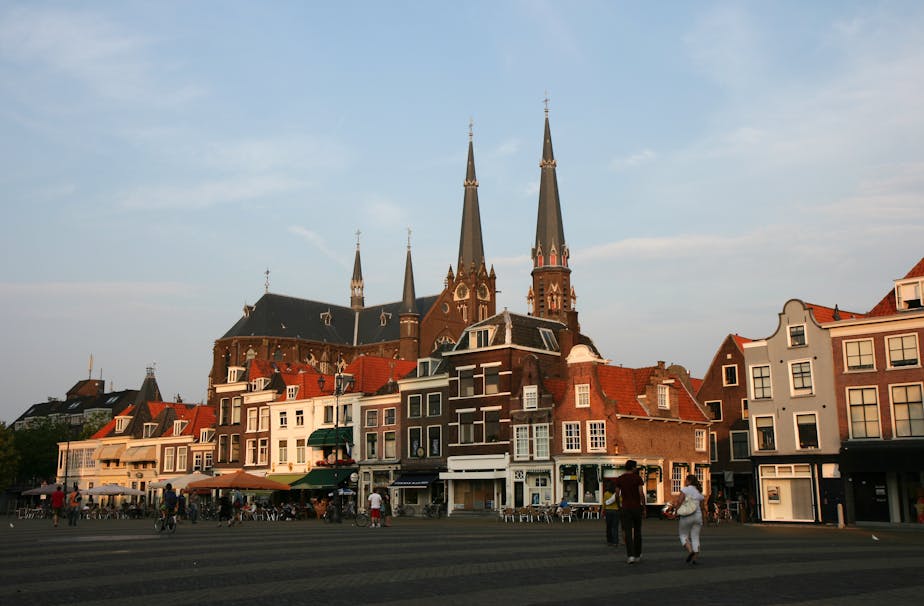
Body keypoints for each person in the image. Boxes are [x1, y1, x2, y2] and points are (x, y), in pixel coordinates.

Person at [614, 460, 646, 564]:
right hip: (636, 507)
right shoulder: (637, 478)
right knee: (637, 531)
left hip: (625, 508)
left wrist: (619, 506)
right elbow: (641, 493)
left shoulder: (620, 479)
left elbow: (617, 495)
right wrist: (644, 507)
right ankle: (638, 554)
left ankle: (630, 555)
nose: (636, 468)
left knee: (627, 532)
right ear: (633, 468)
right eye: (635, 467)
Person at [673, 474, 706, 565]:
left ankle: (690, 550)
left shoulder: (685, 489)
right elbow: (703, 507)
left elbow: (679, 501)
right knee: (695, 537)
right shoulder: (699, 493)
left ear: (689, 481)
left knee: (683, 535)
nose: (684, 481)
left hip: (686, 516)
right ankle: (695, 559)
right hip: (698, 516)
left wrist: (676, 511)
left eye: (686, 480)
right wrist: (704, 519)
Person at [602, 481, 620, 547]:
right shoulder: (617, 493)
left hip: (608, 511)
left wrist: (602, 511)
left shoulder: (606, 493)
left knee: (608, 527)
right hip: (616, 511)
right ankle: (615, 541)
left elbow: (604, 503)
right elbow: (620, 501)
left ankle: (609, 541)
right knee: (615, 527)